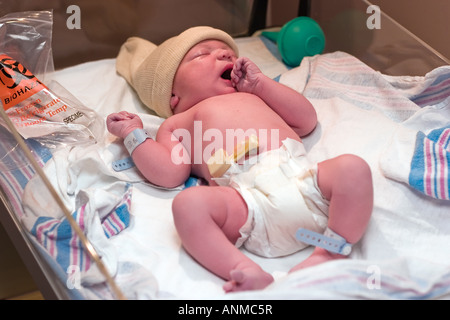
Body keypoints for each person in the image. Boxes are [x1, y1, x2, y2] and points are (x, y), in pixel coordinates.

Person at [107, 27, 373, 292]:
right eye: (203, 53)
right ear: (173, 95)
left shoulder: (256, 95)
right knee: (187, 206)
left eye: (228, 52)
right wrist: (133, 135)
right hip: (246, 205)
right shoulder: (177, 124)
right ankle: (243, 268)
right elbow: (168, 173)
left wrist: (262, 85)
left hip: (305, 182)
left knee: (353, 168)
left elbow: (306, 120)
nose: (224, 54)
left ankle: (329, 252)